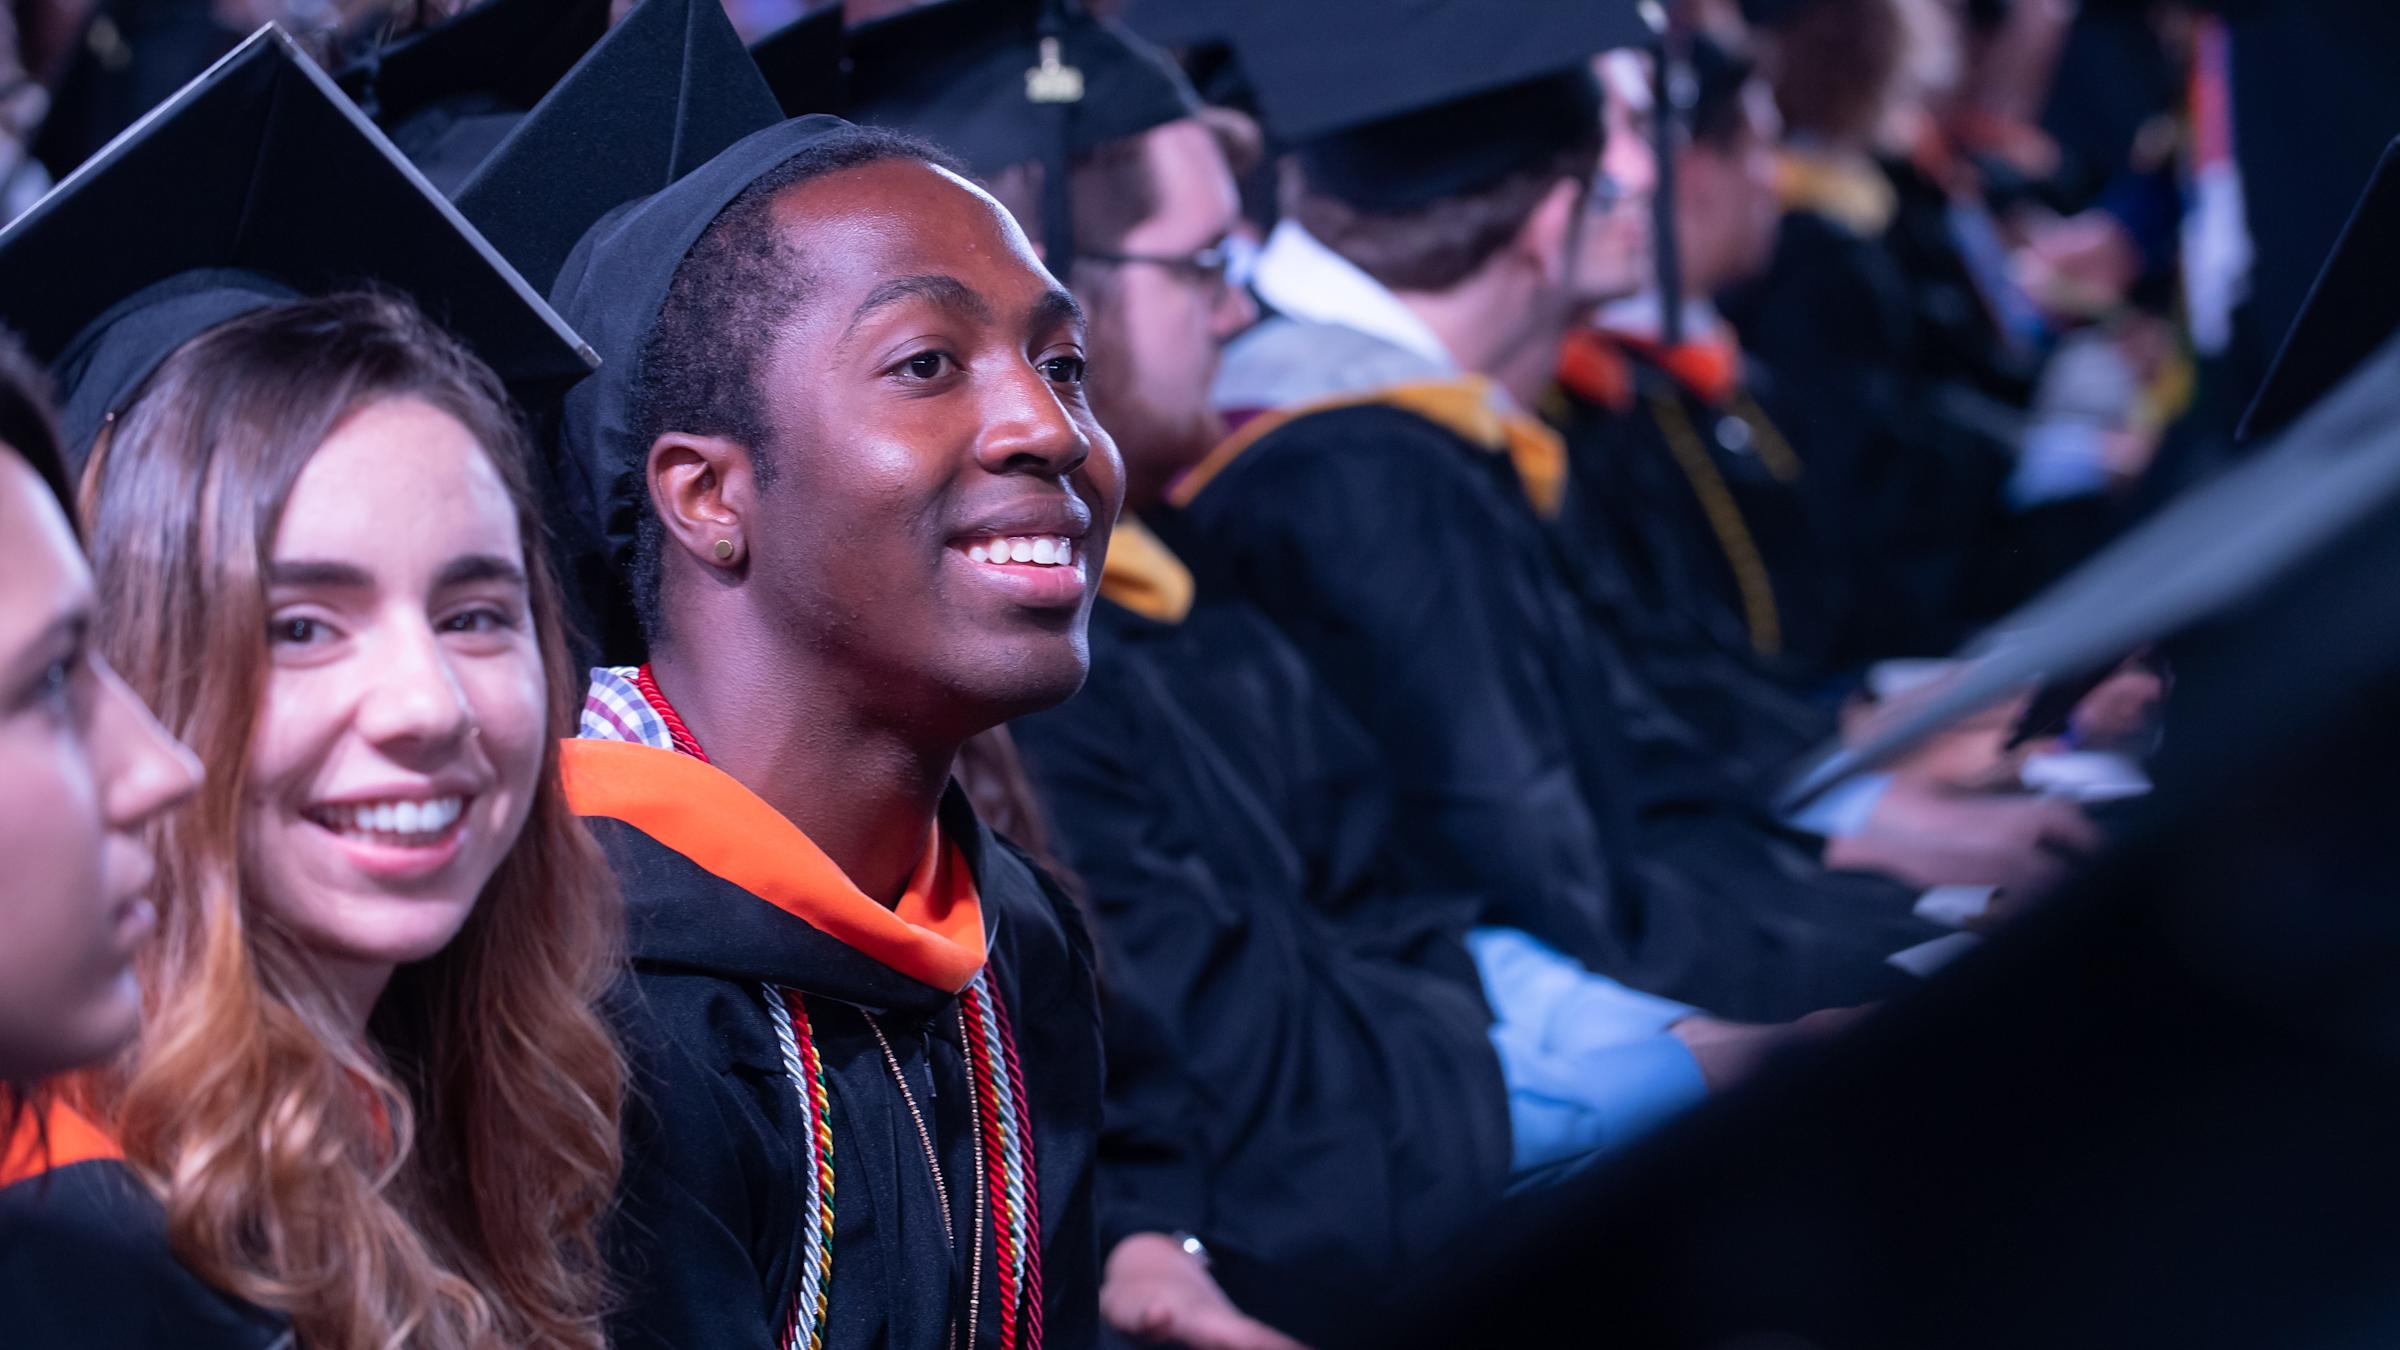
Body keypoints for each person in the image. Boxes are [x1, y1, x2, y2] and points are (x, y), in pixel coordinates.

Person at [0, 30, 626, 1349]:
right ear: (123, 670)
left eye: (475, 613)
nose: (428, 705)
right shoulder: (83, 1236)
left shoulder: (472, 1127)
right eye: (298, 624)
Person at [1188, 0, 1945, 1018]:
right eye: (1623, 135)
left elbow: (1640, 768)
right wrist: (1906, 933)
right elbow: (1549, 884)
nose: (1648, 176)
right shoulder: (1357, 464)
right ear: (1549, 221)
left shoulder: (1418, 434)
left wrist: (1886, 852)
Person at [529, 106, 1110, 1349]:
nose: (1053, 430)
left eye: (1064, 366)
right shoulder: (566, 986)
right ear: (706, 495)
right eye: (927, 364)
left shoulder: (1014, 937)